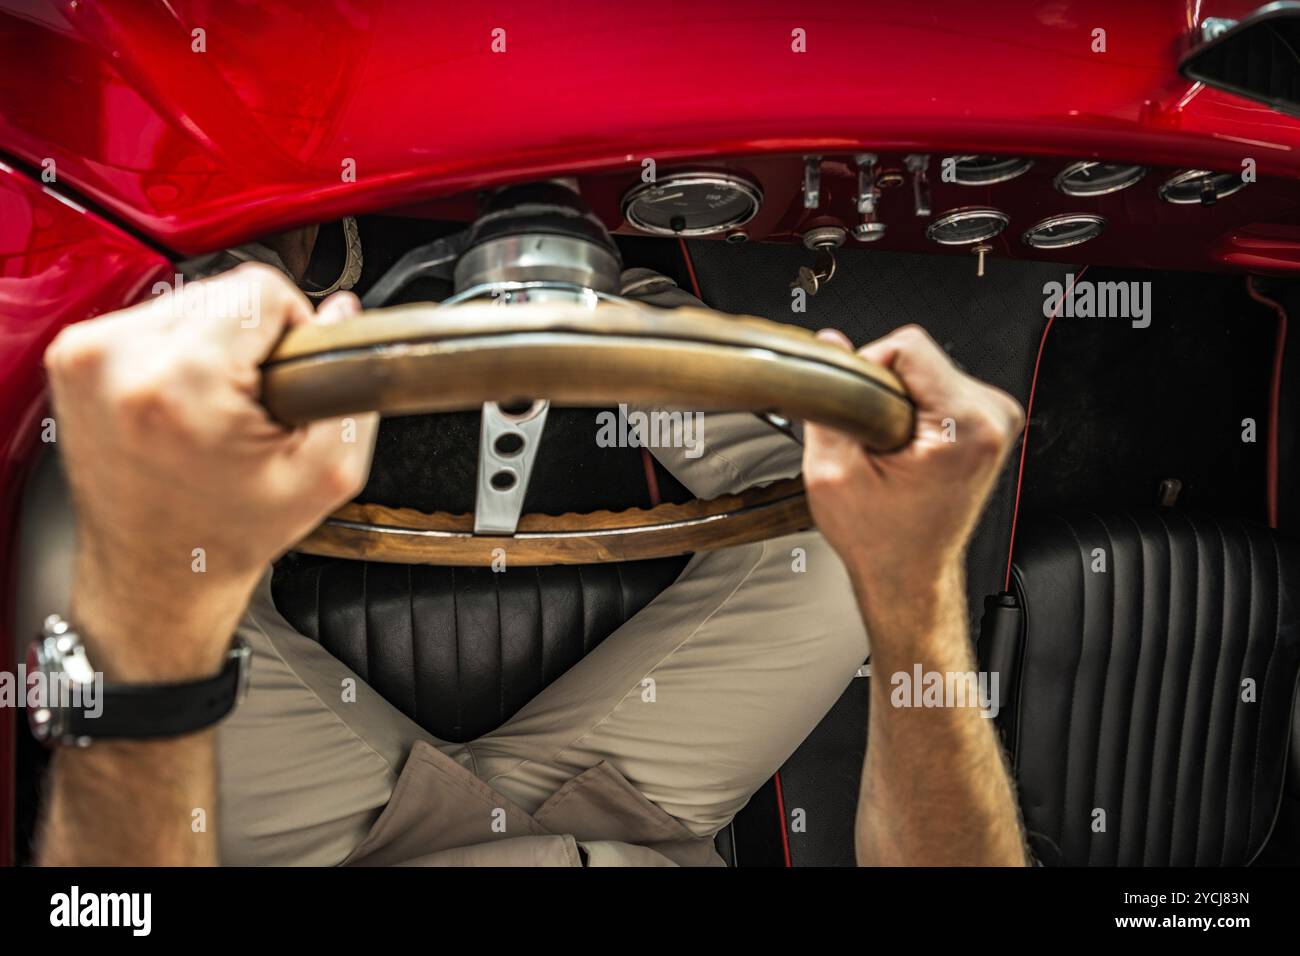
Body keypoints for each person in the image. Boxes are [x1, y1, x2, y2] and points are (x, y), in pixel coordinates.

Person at [34, 256, 1027, 867]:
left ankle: (223, 301)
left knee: (79, 529)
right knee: (841, 551)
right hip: (638, 832)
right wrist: (915, 588)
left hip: (356, 850)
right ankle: (592, 294)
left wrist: (156, 605)